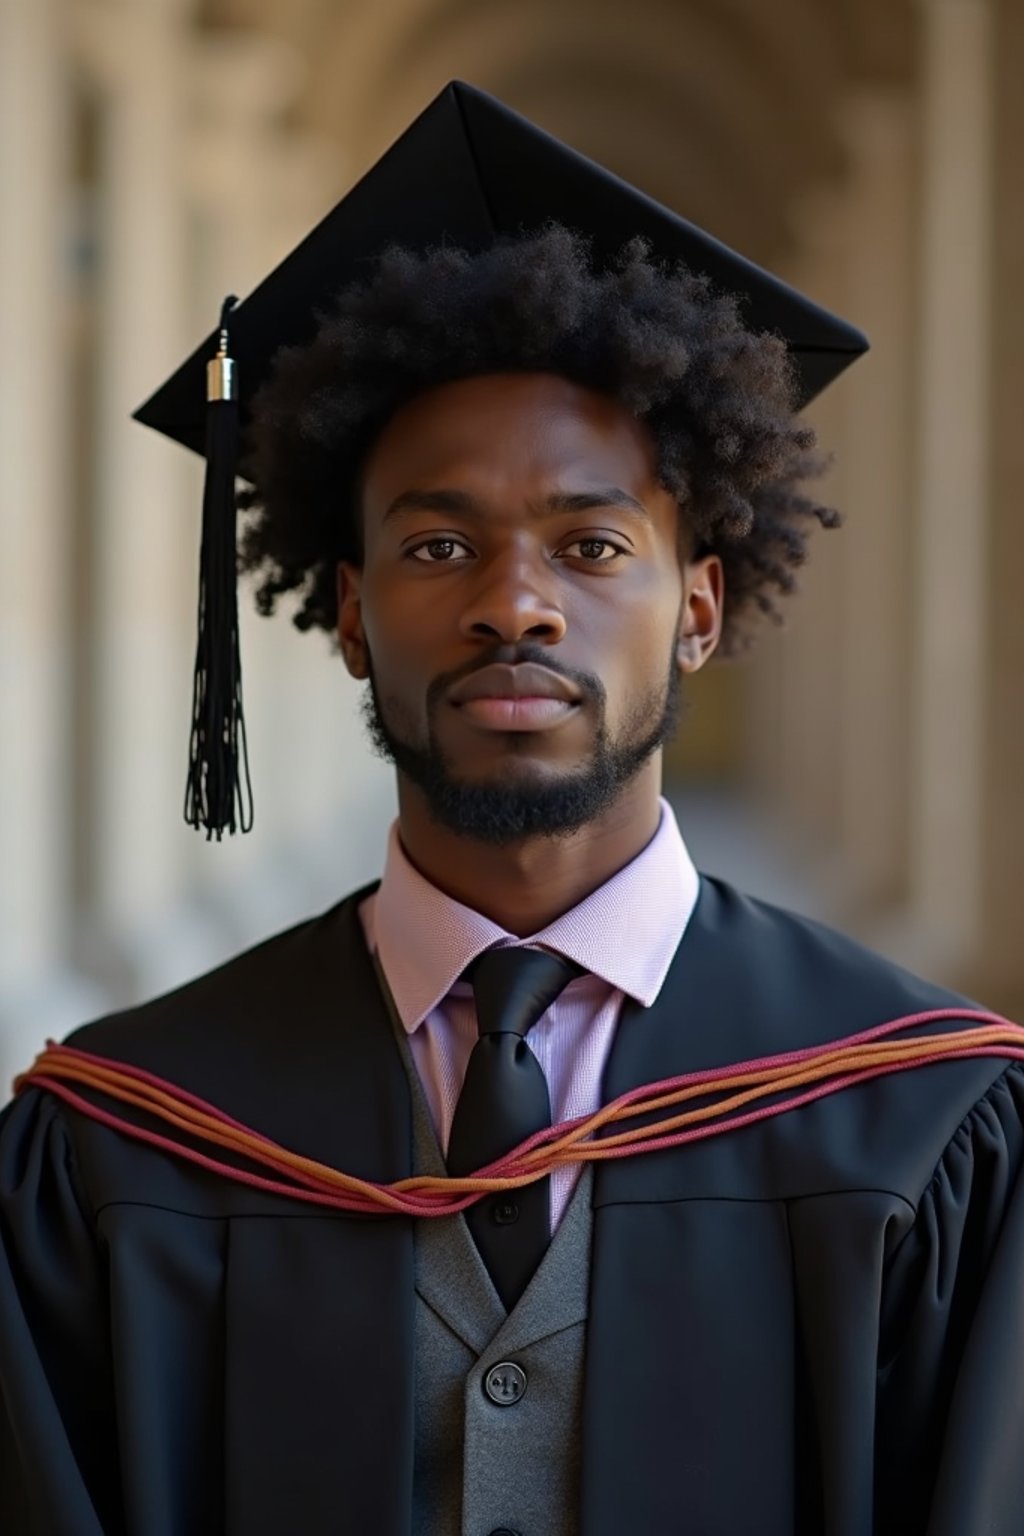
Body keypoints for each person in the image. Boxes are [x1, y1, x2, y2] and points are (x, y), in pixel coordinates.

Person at [2, 82, 1022, 1536]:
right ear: (350, 617)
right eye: (437, 544)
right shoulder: (125, 1142)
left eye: (591, 542)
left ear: (701, 610)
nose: (514, 603)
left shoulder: (919, 1115)